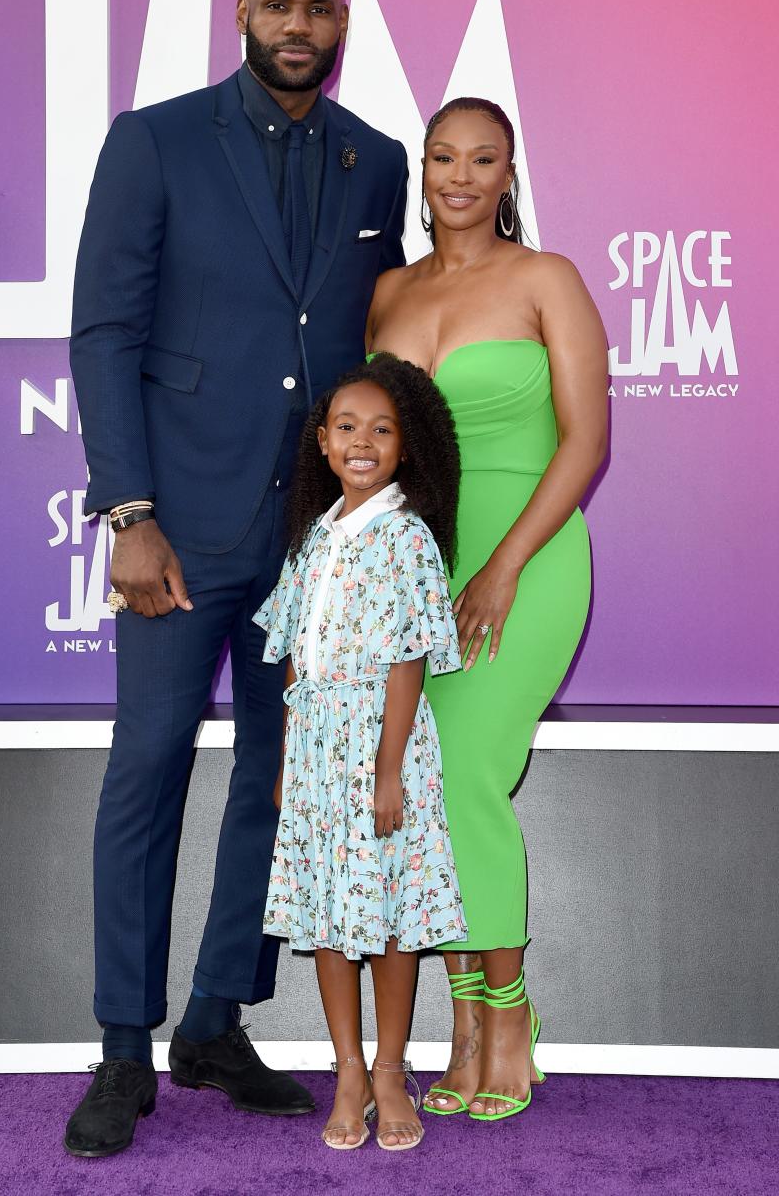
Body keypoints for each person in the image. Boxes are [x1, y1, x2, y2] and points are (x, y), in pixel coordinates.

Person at [64, 0, 408, 1158]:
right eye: (279, 4)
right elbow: (105, 329)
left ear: (343, 21)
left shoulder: (380, 160)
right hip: (180, 532)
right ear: (245, 12)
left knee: (282, 782)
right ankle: (122, 1044)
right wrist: (127, 509)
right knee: (146, 773)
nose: (298, 24)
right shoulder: (153, 140)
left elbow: (360, 346)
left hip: (310, 544)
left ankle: (214, 1019)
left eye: (320, 7)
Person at [368, 97, 607, 1121]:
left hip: (532, 552)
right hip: (420, 564)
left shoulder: (547, 278)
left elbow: (587, 442)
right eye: (441, 157)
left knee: (464, 770)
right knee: (423, 782)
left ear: (510, 173)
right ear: (421, 173)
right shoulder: (383, 292)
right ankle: (464, 1020)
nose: (459, 175)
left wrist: (504, 566)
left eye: (483, 158)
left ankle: (509, 1014)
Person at [255, 355, 467, 1152]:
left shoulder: (406, 536)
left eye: (382, 430)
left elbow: (409, 657)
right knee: (330, 917)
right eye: (347, 427)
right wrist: (284, 759)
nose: (363, 441)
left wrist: (387, 769)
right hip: (314, 751)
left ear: (405, 447)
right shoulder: (314, 538)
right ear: (321, 441)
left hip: (382, 748)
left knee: (387, 919)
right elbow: (292, 655)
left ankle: (388, 1068)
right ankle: (346, 1068)